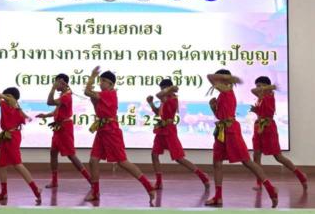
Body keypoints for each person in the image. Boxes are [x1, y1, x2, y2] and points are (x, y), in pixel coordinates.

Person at [205, 69, 278, 208]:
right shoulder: (223, 94)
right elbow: (220, 116)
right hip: (221, 130)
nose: (216, 83)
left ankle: (270, 188)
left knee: (246, 161)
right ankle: (218, 196)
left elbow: (210, 76)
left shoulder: (227, 90)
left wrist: (227, 78)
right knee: (217, 163)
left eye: (220, 80)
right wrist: (213, 108)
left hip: (231, 130)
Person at [83, 66, 155, 206]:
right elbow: (92, 98)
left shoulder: (109, 94)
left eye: (103, 81)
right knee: (93, 161)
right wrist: (93, 94)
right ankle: (95, 191)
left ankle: (148, 186)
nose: (101, 83)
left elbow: (87, 92)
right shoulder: (103, 94)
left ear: (111, 84)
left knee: (122, 162)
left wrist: (92, 76)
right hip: (102, 130)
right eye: (100, 80)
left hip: (111, 131)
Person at [146, 78, 210, 190]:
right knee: (154, 155)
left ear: (168, 88)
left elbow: (159, 95)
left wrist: (169, 89)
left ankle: (202, 176)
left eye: (163, 88)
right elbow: (158, 112)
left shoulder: (172, 99)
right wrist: (151, 103)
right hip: (161, 130)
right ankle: (159, 182)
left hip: (169, 131)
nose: (161, 91)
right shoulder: (165, 98)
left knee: (179, 158)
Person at [250, 76, 307, 191]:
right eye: (257, 86)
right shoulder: (260, 98)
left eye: (260, 85)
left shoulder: (270, 95)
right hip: (258, 127)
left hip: (268, 127)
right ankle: (259, 182)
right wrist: (256, 111)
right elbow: (261, 110)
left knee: (278, 156)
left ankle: (300, 175)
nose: (258, 88)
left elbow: (253, 91)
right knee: (256, 156)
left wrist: (269, 88)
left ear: (266, 86)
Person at [35, 73, 92, 189]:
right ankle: (54, 181)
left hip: (65, 128)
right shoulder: (63, 95)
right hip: (58, 127)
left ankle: (90, 180)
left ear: (62, 82)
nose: (55, 85)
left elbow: (49, 102)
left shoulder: (66, 96)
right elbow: (56, 110)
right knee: (53, 152)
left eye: (57, 83)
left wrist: (52, 88)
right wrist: (45, 115)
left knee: (71, 156)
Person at [0, 87, 41, 204]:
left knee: (17, 164)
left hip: (13, 137)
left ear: (13, 98)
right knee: (2, 164)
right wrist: (6, 97)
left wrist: (10, 99)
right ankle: (4, 192)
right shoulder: (5, 105)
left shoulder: (17, 109)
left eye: (8, 96)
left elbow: (23, 118)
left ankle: (36, 189)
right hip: (6, 136)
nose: (5, 98)